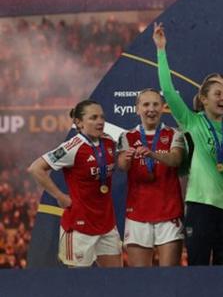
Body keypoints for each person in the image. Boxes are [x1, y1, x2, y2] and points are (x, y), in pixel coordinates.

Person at [154, 22, 223, 265]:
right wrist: (161, 50)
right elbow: (167, 89)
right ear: (204, 99)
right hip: (199, 205)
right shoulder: (192, 122)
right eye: (217, 93)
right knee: (197, 268)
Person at [28, 99, 122, 267]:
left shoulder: (109, 142)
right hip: (80, 227)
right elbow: (36, 169)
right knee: (77, 285)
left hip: (107, 224)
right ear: (79, 122)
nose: (100, 121)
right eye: (93, 117)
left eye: (102, 117)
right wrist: (59, 196)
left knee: (115, 280)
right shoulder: (71, 147)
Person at [117, 88, 185, 267]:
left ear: (163, 107)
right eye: (146, 104)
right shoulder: (127, 136)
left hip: (169, 213)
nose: (151, 109)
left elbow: (176, 159)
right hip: (137, 214)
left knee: (170, 277)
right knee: (140, 279)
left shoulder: (174, 134)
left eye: (156, 104)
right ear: (137, 108)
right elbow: (122, 166)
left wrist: (153, 154)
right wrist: (127, 158)